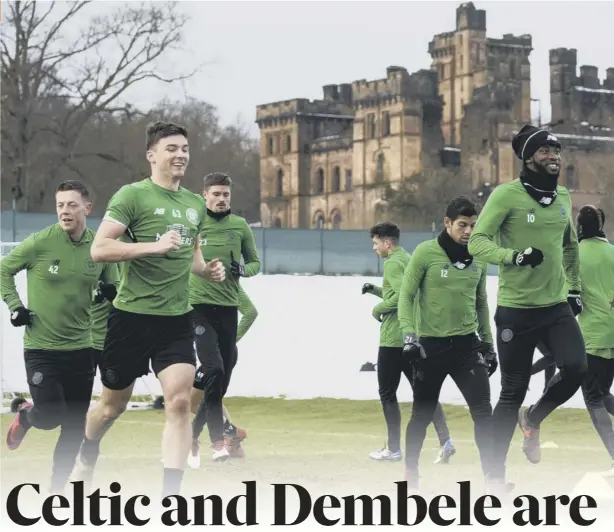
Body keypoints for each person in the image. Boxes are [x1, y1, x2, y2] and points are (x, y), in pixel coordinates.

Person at [71, 122, 226, 499]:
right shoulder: (132, 196)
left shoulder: (193, 204)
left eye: (185, 148)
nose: (181, 155)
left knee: (178, 402)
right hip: (130, 320)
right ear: (152, 155)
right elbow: (100, 249)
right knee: (110, 408)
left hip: (175, 320)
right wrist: (151, 247)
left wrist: (207, 269)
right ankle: (87, 453)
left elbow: (190, 254)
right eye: (171, 148)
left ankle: (171, 499)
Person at [468, 124, 587, 490]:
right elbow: (476, 242)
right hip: (515, 311)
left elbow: (569, 245)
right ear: (529, 157)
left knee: (577, 369)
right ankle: (494, 476)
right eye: (546, 151)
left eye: (557, 150)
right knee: (510, 392)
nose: (554, 156)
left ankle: (533, 419)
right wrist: (513, 256)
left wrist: (574, 288)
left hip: (555, 307)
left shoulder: (564, 197)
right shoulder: (506, 196)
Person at [1, 180, 119, 494]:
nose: (64, 211)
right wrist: (16, 306)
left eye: (71, 205)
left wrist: (109, 291)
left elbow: (112, 284)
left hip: (81, 349)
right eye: (60, 205)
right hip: (41, 348)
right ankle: (27, 417)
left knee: (72, 429)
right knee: (50, 414)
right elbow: (3, 269)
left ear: (87, 208)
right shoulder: (40, 243)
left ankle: (57, 492)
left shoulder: (99, 247)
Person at [398, 197, 497, 490]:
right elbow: (406, 296)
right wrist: (409, 337)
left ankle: (493, 477)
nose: (468, 231)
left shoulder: (478, 258)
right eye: (462, 225)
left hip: (467, 347)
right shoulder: (425, 253)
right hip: (431, 348)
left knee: (483, 412)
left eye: (473, 226)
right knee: (422, 415)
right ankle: (410, 472)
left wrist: (489, 345)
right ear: (447, 224)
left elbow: (481, 302)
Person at [362, 221, 455, 465]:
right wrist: (375, 290)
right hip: (413, 337)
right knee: (424, 393)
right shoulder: (407, 258)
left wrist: (377, 308)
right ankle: (446, 441)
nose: (374, 248)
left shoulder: (392, 262)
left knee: (387, 394)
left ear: (387, 243)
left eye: (375, 243)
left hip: (393, 339)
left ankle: (393, 449)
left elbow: (402, 296)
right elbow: (403, 292)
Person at [189, 172, 261, 463]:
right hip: (198, 308)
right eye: (216, 194)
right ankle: (218, 441)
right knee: (214, 368)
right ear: (204, 195)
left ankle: (193, 437)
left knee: (218, 384)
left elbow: (255, 263)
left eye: (226, 195)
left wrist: (243, 270)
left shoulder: (240, 226)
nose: (221, 199)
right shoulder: (194, 224)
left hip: (228, 310)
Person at [188, 284, 258, 468]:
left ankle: (226, 433)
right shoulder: (197, 282)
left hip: (216, 353)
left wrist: (228, 341)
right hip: (214, 351)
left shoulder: (225, 284)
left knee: (199, 399)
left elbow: (250, 312)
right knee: (200, 399)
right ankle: (230, 435)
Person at [575, 206, 614, 473]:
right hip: (612, 333)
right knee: (602, 393)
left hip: (591, 335)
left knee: (593, 398)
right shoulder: (612, 251)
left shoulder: (575, 254)